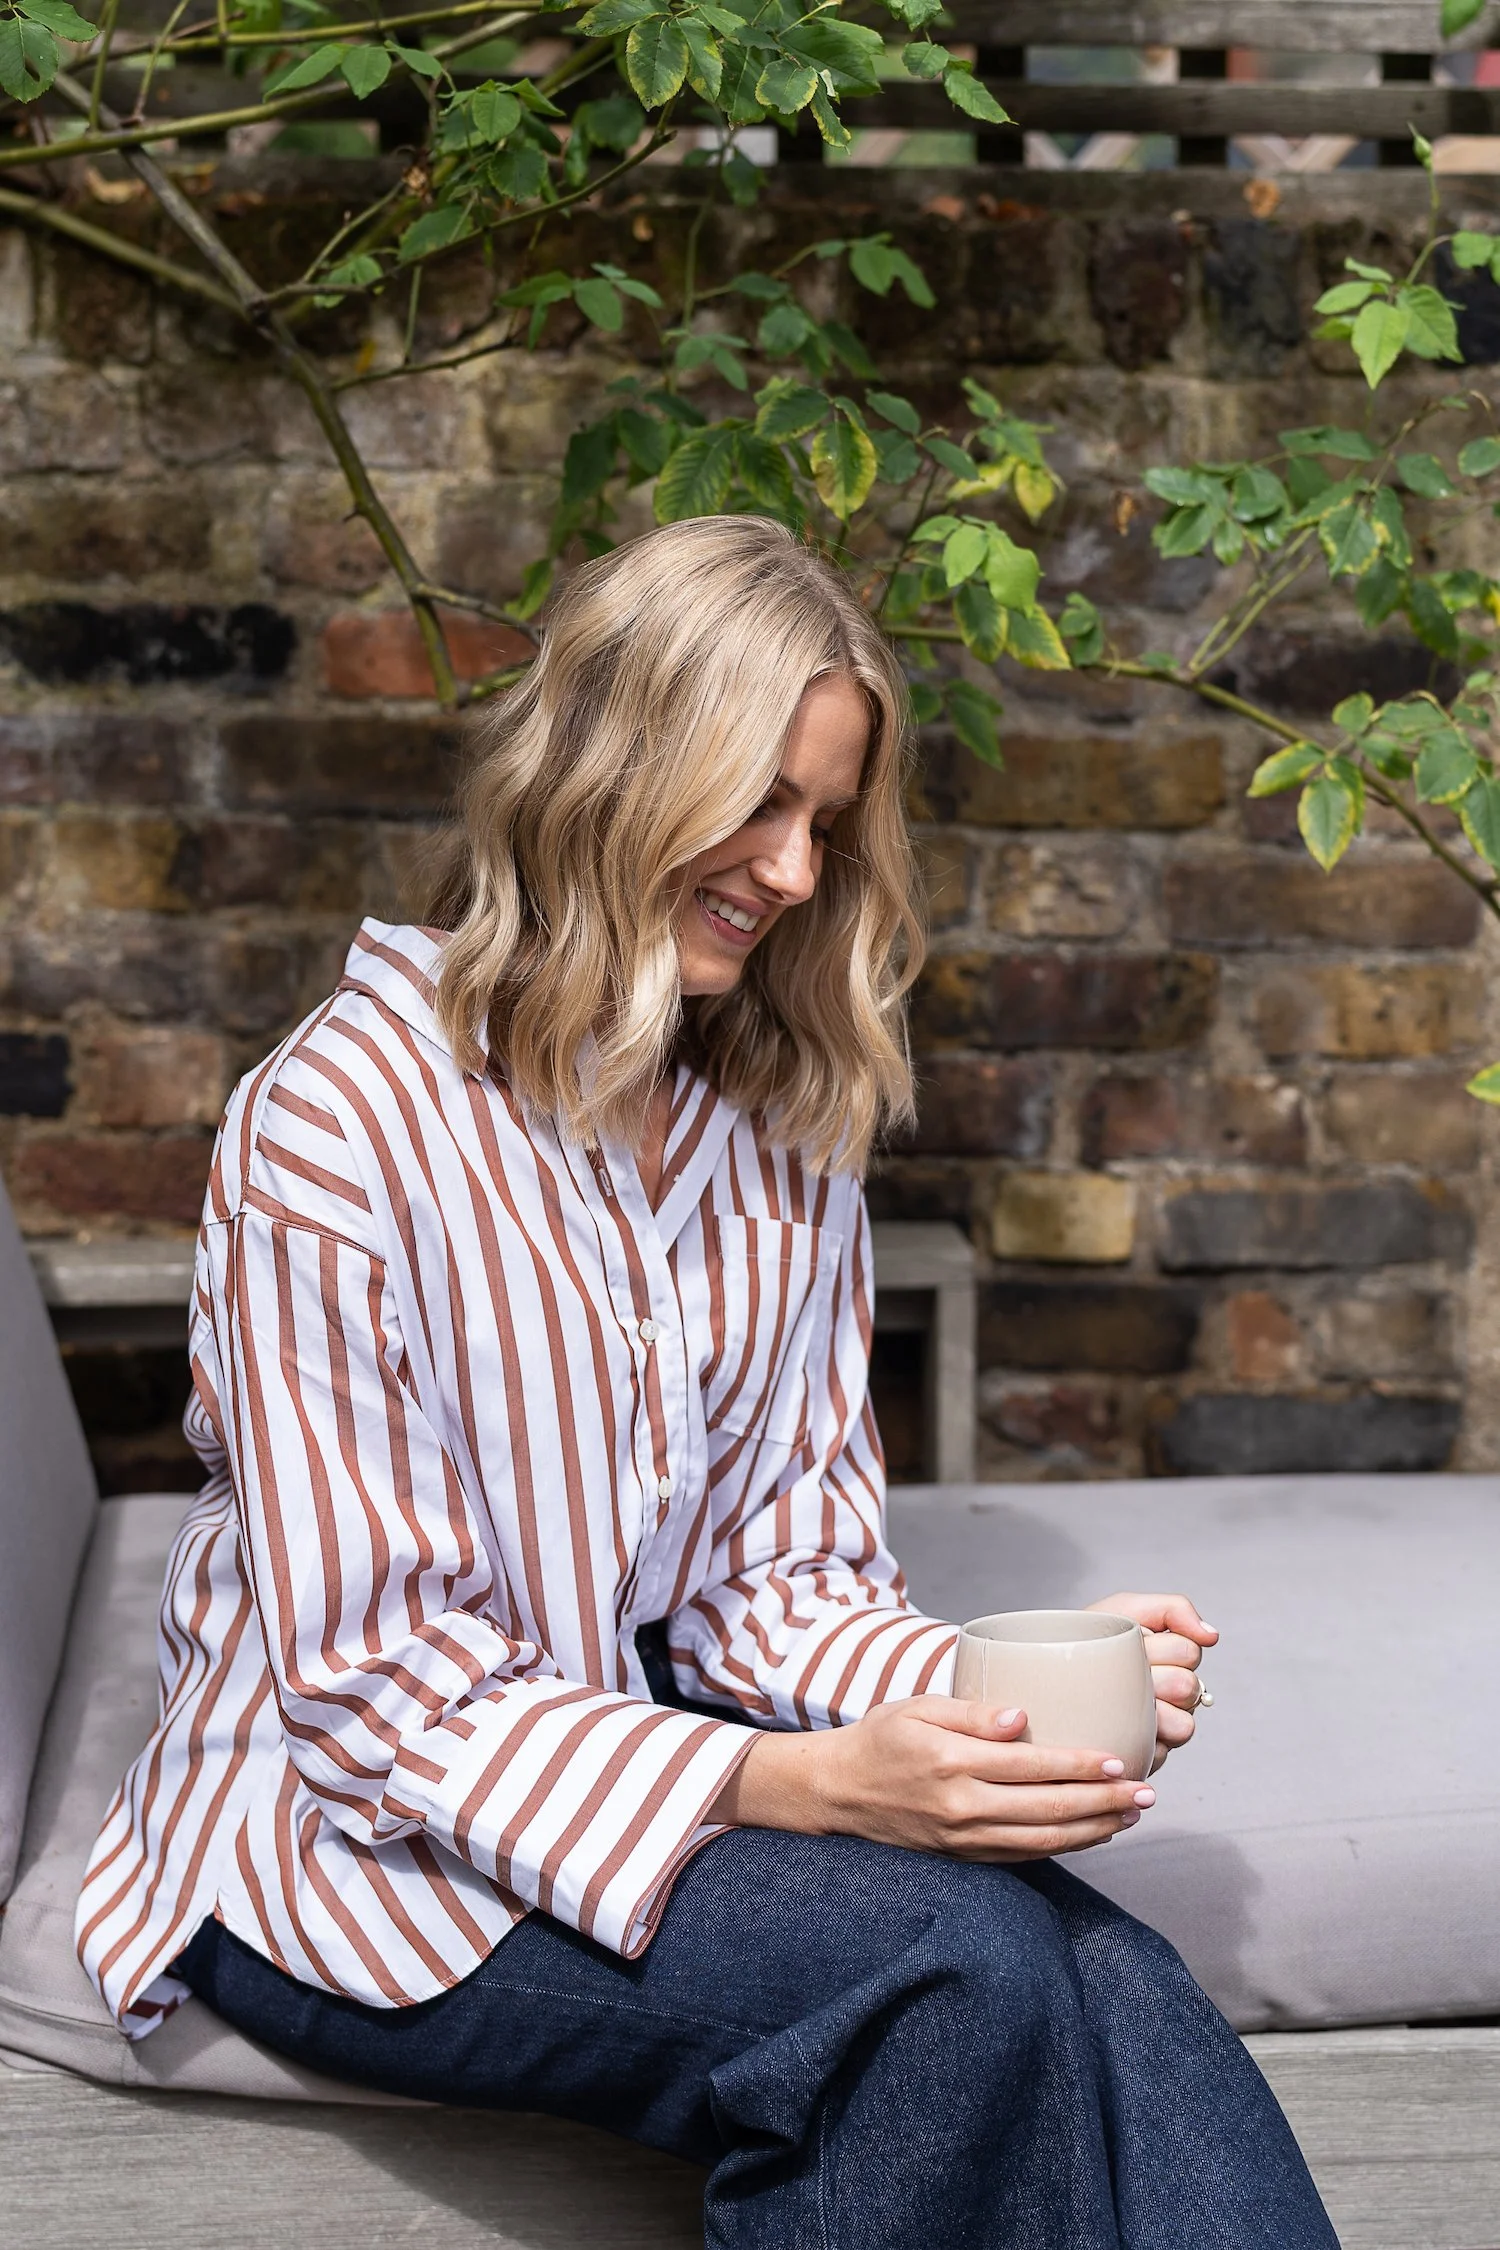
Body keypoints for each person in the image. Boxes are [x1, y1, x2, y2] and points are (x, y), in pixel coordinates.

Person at [76, 515, 1337, 2247]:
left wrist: (983, 1696)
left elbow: (774, 1581)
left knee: (1115, 1979)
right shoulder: (333, 1124)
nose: (799, 870)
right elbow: (375, 1691)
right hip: (338, 1841)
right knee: (948, 1968)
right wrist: (802, 1785)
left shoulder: (775, 1126)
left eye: (827, 821)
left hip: (613, 1731)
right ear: (611, 768)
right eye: (761, 802)